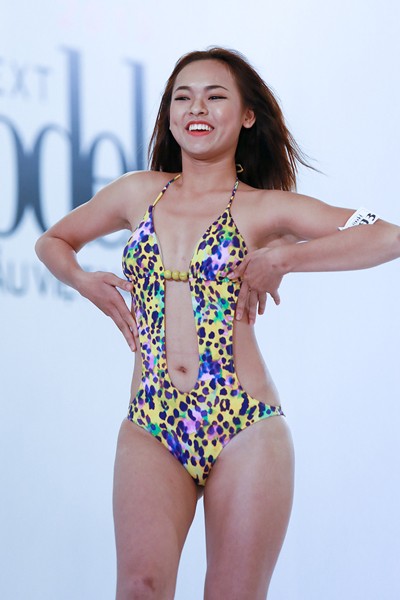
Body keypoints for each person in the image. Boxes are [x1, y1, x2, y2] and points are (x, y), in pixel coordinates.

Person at [35, 47, 400, 600]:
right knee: (138, 588)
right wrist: (83, 281)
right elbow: (53, 241)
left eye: (215, 96)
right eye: (182, 97)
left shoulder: (264, 208)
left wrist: (286, 258)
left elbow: (386, 235)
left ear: (247, 115)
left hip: (244, 425)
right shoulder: (137, 192)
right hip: (152, 422)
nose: (196, 108)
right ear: (169, 115)